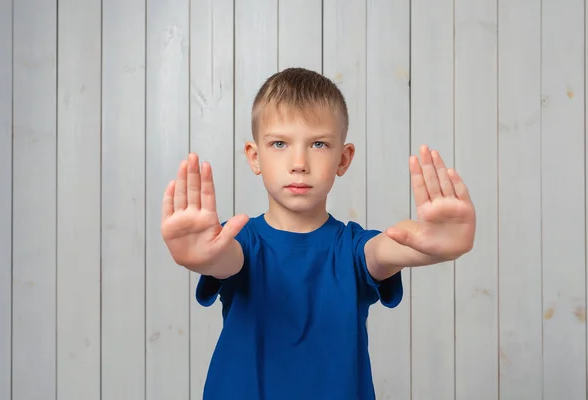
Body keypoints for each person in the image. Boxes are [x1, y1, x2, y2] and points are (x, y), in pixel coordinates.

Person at [161, 67, 476, 399]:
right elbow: (225, 259)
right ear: (255, 157)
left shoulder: (354, 250)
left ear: (344, 158)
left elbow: (389, 246)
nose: (299, 162)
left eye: (319, 144)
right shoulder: (237, 242)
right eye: (280, 143)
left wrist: (435, 241)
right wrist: (199, 256)